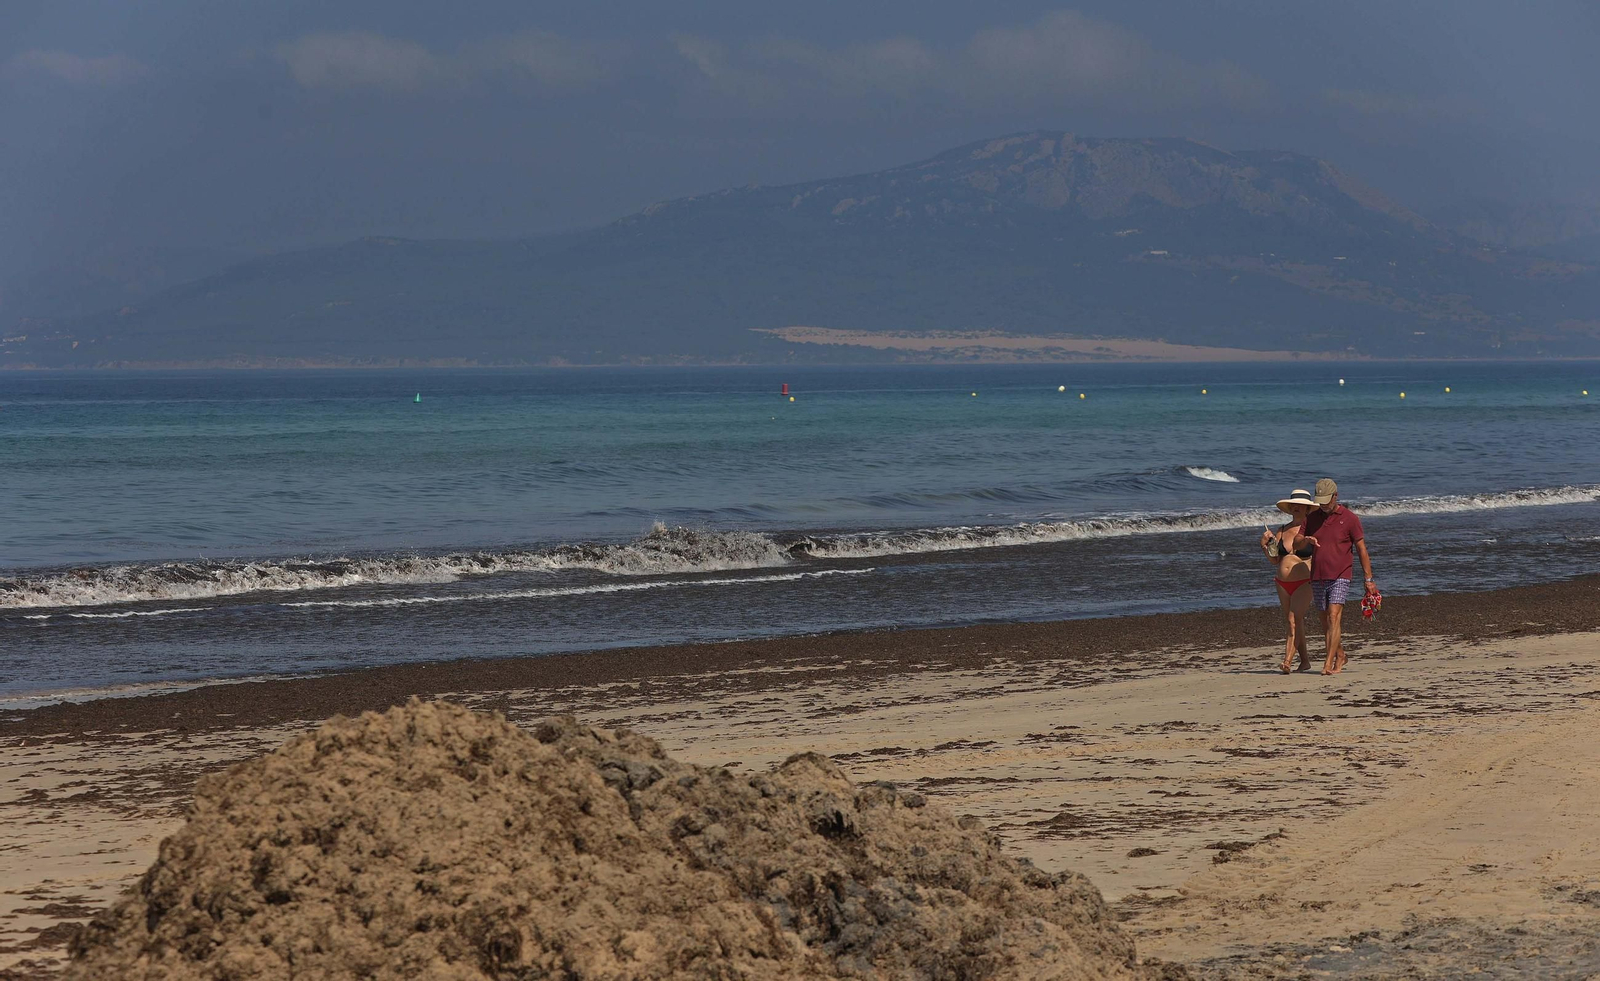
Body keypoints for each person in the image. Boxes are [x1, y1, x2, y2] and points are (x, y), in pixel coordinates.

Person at [1302, 478, 1377, 675]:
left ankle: (1329, 663)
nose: (1323, 504)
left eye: (1326, 500)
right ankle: (1341, 654)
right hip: (1317, 575)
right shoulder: (1311, 518)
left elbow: (1361, 549)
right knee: (1325, 621)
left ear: (1336, 496)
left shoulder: (1350, 518)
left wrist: (1368, 579)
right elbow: (1296, 543)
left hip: (1341, 574)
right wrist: (1305, 540)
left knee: (1334, 617)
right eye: (1320, 501)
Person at [1260, 489, 1317, 673]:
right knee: (1294, 622)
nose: (1296, 507)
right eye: (1293, 505)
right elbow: (1274, 559)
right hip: (1282, 583)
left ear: (1308, 509)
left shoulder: (1313, 530)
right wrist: (1265, 545)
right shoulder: (1282, 530)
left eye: (1300, 505)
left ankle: (1287, 661)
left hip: (1304, 582)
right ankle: (1305, 661)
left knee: (1293, 619)